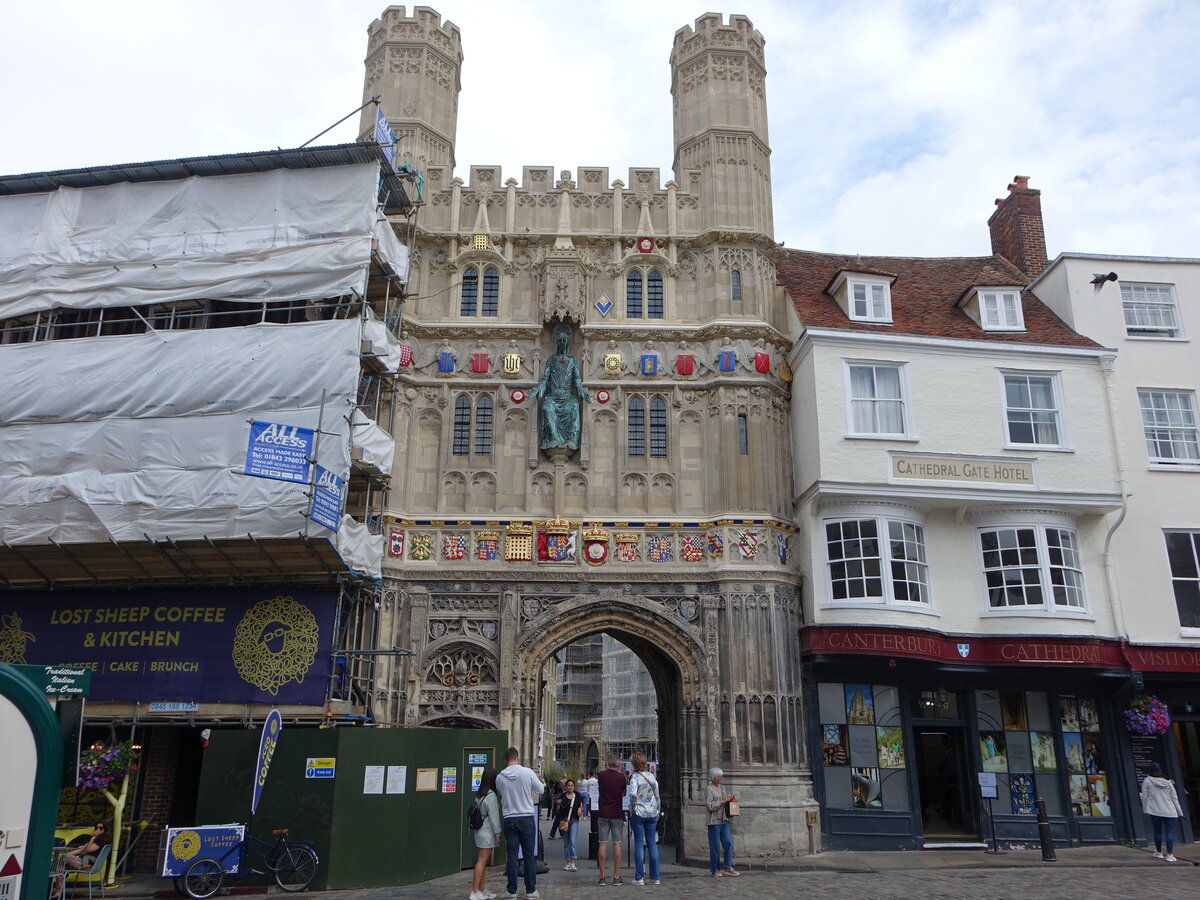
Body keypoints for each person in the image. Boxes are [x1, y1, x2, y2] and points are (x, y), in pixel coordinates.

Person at [494, 747, 545, 900]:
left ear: (505, 760)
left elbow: (501, 794)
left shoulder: (500, 777)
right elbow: (540, 789)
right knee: (529, 855)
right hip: (526, 817)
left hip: (509, 818)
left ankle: (511, 891)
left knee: (512, 855)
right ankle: (530, 890)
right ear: (518, 758)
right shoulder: (527, 772)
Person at [628, 752, 661, 886]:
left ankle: (639, 877)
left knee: (639, 844)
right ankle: (655, 877)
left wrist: (633, 807)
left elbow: (632, 794)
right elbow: (657, 794)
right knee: (652, 844)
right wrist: (657, 809)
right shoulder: (651, 776)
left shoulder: (635, 777)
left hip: (639, 812)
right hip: (652, 812)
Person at [1141, 762, 1184, 862]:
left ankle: (1159, 852)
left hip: (1155, 810)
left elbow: (1145, 797)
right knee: (1169, 832)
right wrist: (1180, 812)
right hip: (1169, 811)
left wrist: (1146, 810)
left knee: (1157, 832)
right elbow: (1174, 799)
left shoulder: (1147, 781)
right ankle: (1169, 854)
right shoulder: (1168, 783)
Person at [470, 769, 502, 900]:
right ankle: (475, 891)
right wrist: (498, 833)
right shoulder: (491, 796)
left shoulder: (479, 794)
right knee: (482, 861)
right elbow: (494, 817)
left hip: (479, 831)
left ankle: (481, 889)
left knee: (481, 861)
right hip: (487, 831)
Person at [596, 755, 627, 886]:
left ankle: (602, 877)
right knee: (617, 844)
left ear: (608, 764)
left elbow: (600, 789)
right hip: (616, 813)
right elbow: (624, 793)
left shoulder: (601, 775)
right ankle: (616, 876)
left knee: (602, 843)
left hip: (603, 812)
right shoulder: (621, 777)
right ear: (618, 765)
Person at [705, 768, 739, 877]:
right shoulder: (709, 789)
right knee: (715, 846)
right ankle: (715, 869)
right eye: (720, 777)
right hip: (714, 821)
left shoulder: (722, 787)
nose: (722, 778)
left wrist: (729, 799)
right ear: (714, 778)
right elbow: (710, 805)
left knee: (728, 842)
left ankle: (728, 866)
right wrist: (722, 801)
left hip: (724, 819)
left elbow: (724, 801)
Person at [555, 778, 586, 871]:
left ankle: (573, 861)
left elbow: (581, 806)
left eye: (572, 785)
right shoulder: (562, 796)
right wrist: (558, 804)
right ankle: (568, 861)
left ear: (574, 786)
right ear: (566, 787)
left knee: (572, 840)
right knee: (566, 842)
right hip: (564, 821)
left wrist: (580, 809)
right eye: (568, 785)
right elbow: (557, 810)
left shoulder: (577, 795)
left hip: (574, 820)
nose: (570, 787)